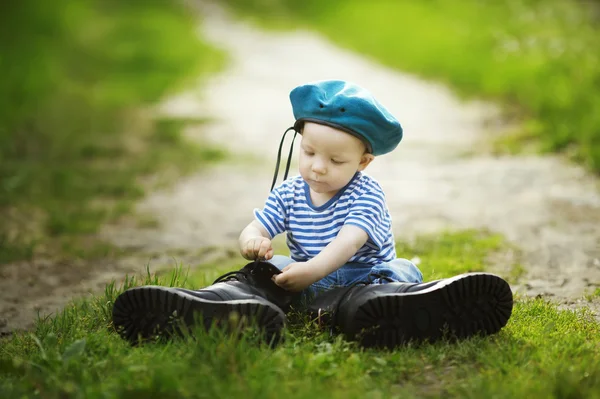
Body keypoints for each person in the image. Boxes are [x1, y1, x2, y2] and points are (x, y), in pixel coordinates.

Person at [112, 80, 513, 348]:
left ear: (364, 162)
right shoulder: (290, 192)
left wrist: (311, 273)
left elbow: (346, 244)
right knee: (265, 273)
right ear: (299, 144)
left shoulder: (367, 194)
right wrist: (253, 241)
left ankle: (396, 311)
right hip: (303, 281)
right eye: (309, 153)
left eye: (336, 160)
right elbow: (257, 224)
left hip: (359, 276)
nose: (318, 167)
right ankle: (226, 304)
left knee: (391, 277)